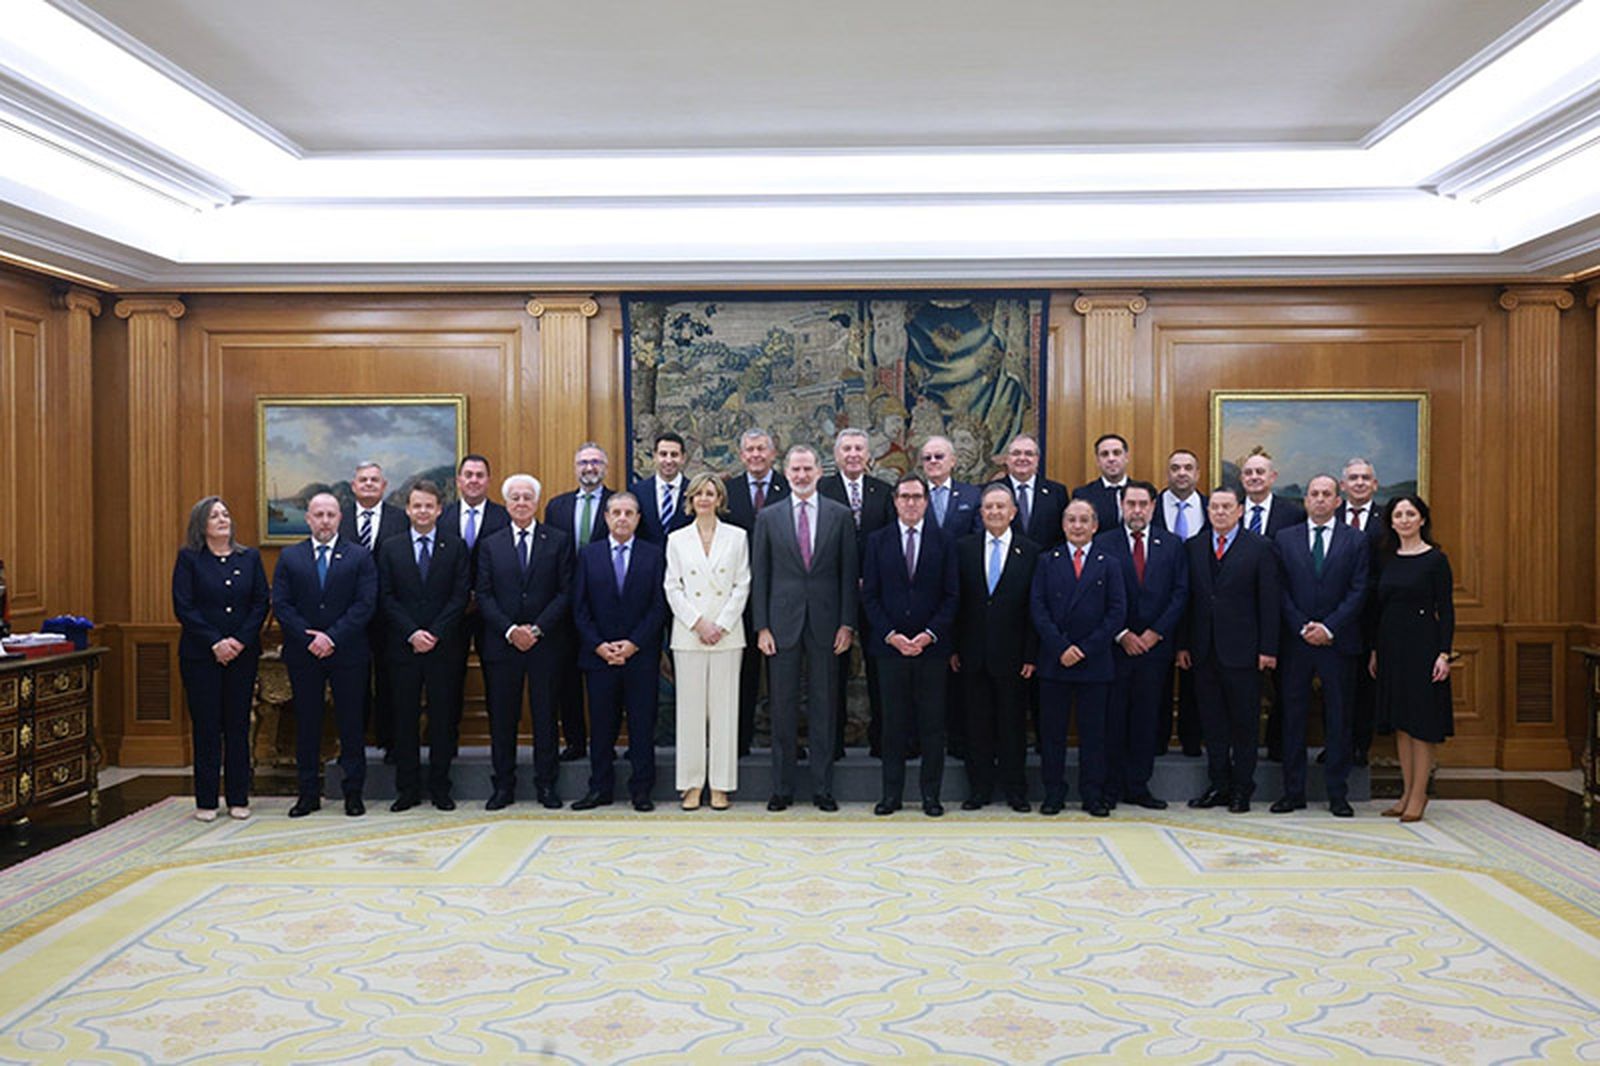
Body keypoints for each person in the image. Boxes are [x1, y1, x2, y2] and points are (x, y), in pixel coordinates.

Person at [751, 444, 857, 812]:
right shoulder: (769, 517)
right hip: (781, 626)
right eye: (794, 470)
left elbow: (847, 574)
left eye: (807, 469)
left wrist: (847, 623)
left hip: (828, 625)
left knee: (824, 707)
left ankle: (822, 788)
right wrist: (761, 626)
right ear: (786, 471)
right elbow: (760, 574)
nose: (800, 475)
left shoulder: (840, 516)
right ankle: (782, 789)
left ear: (819, 471)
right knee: (781, 708)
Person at [273, 491, 378, 818]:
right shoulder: (290, 557)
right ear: (308, 519)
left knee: (350, 724)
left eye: (330, 515)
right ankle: (307, 794)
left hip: (348, 652)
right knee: (307, 723)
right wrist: (311, 639)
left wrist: (332, 637)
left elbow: (365, 604)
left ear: (340, 518)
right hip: (304, 654)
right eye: (318, 515)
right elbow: (282, 604)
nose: (324, 521)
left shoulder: (359, 557)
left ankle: (353, 794)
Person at [475, 474, 575, 810]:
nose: (521, 503)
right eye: (515, 497)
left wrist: (535, 630)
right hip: (502, 645)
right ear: (506, 503)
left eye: (527, 497)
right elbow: (484, 595)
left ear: (537, 502)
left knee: (546, 717)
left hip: (545, 644)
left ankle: (546, 785)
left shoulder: (558, 540)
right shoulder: (491, 543)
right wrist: (510, 630)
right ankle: (503, 786)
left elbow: (565, 592)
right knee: (502, 719)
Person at [1178, 487, 1279, 814]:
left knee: (1244, 723)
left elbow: (1269, 601)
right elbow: (1186, 600)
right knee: (1213, 723)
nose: (1220, 512)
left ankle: (1241, 788)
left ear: (1239, 511)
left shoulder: (1260, 547)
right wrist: (1182, 644)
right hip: (1203, 651)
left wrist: (1268, 648)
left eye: (1227, 507)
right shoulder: (1193, 547)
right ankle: (1218, 785)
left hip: (1244, 652)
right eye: (1215, 507)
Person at [863, 473, 959, 817]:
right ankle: (892, 795)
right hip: (889, 649)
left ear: (926, 500)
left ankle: (930, 796)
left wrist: (928, 635)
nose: (911, 503)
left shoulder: (945, 541)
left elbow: (951, 597)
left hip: (931, 650)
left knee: (933, 725)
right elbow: (869, 596)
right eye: (904, 497)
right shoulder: (877, 541)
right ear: (895, 501)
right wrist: (892, 636)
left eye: (917, 497)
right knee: (893, 725)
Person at [1272, 475, 1368, 818]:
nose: (1320, 500)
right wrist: (1302, 626)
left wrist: (1329, 627)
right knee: (1292, 718)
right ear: (1306, 500)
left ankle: (1337, 794)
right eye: (1314, 494)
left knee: (1339, 719)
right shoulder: (1285, 539)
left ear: (1338, 501)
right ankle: (1292, 792)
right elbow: (1279, 590)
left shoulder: (1356, 540)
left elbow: (1359, 590)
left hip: (1337, 642)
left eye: (1327, 494)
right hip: (1296, 642)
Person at [171, 496, 269, 822]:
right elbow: (184, 606)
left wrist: (239, 641)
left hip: (242, 656)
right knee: (207, 727)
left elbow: (260, 603)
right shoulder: (189, 559)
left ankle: (239, 797)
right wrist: (215, 642)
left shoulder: (250, 557)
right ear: (202, 524)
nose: (222, 519)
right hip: (201, 656)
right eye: (214, 516)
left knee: (238, 726)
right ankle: (207, 800)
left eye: (225, 514)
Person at [571, 492, 668, 813]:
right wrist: (599, 645)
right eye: (616, 513)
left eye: (629, 513)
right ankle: (600, 789)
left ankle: (642, 790)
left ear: (639, 518)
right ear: (606, 518)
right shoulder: (588, 555)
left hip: (640, 656)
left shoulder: (653, 555)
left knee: (642, 726)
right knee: (601, 727)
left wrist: (633, 644)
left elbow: (658, 607)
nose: (622, 518)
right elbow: (579, 607)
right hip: (599, 657)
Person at [377, 480, 470, 812]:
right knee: (404, 719)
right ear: (408, 509)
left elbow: (460, 596)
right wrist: (412, 633)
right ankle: (408, 789)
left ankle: (440, 788)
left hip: (444, 647)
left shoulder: (456, 547)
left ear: (439, 509)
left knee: (443, 720)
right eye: (417, 506)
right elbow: (385, 597)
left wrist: (434, 633)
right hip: (404, 648)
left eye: (429, 506)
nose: (422, 511)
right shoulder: (391, 547)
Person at [1031, 499, 1126, 816]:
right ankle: (1053, 793)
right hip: (1054, 661)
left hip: (1094, 662)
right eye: (1071, 519)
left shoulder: (1108, 562)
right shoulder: (1047, 560)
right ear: (1063, 524)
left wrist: (1084, 648)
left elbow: (1116, 613)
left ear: (1095, 525)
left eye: (1084, 519)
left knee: (1094, 735)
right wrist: (1061, 647)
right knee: (1052, 735)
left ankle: (1092, 793)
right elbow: (1038, 608)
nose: (1077, 525)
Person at [1098, 481, 1187, 810]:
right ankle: (1110, 788)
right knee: (1113, 719)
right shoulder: (1103, 542)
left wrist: (1155, 633)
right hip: (1116, 647)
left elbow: (1180, 594)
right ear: (1121, 506)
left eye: (1143, 504)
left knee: (1146, 719)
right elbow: (1099, 594)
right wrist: (1122, 634)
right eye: (1130, 504)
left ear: (1153, 507)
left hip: (1154, 649)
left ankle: (1138, 785)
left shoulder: (1172, 544)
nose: (1137, 510)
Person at [666, 474, 751, 810]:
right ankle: (690, 784)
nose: (704, 498)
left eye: (710, 493)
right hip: (689, 634)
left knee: (724, 712)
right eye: (699, 493)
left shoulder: (737, 537)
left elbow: (742, 585)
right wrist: (699, 623)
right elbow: (672, 587)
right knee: (690, 712)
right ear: (690, 499)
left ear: (720, 499)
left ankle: (721, 785)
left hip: (727, 635)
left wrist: (721, 624)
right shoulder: (676, 539)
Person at [953, 484, 1040, 811]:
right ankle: (980, 789)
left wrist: (1031, 654)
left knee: (1012, 725)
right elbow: (956, 604)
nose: (994, 512)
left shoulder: (1030, 551)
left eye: (1001, 507)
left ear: (1014, 512)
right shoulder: (963, 548)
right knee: (976, 726)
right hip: (971, 655)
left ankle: (1016, 790)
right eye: (988, 507)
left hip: (1015, 657)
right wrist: (953, 649)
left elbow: (1035, 608)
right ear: (981, 512)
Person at [1371, 494, 1454, 823]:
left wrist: (1444, 653)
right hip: (1391, 646)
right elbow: (1380, 608)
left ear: (1422, 519)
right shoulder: (1387, 558)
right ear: (1391, 521)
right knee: (1401, 725)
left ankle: (1420, 795)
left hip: (1423, 647)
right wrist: (1376, 650)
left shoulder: (1436, 560)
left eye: (1411, 514)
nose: (1404, 519)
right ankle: (1405, 792)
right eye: (1398, 514)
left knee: (1422, 724)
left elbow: (1446, 610)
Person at [819, 427, 892, 756]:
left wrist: (871, 578)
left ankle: (882, 742)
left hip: (876, 595)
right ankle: (833, 745)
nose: (852, 454)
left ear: (868, 455)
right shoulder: (822, 490)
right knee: (833, 672)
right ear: (836, 455)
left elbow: (891, 541)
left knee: (880, 671)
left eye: (858, 448)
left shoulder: (884, 491)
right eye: (846, 448)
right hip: (834, 597)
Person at [544, 442, 615, 762]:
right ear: (575, 468)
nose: (590, 467)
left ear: (606, 467)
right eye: (584, 462)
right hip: (564, 606)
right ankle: (574, 741)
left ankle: (607, 743)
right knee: (566, 678)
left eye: (596, 462)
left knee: (607, 682)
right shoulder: (556, 507)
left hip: (606, 606)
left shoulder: (619, 503)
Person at [723, 428, 788, 755]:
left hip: (782, 595)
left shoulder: (789, 488)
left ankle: (786, 741)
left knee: (783, 674)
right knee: (743, 671)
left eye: (761, 448)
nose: (755, 455)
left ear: (773, 453)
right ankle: (741, 739)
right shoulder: (728, 490)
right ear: (741, 454)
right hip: (738, 598)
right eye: (749, 450)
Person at [339, 460, 408, 760]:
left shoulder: (400, 519)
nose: (368, 484)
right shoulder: (338, 520)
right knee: (351, 684)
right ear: (353, 486)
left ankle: (392, 743)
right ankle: (352, 747)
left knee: (391, 681)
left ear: (384, 486)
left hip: (389, 616)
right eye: (363, 480)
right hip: (349, 617)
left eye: (374, 480)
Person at [1152, 448, 1207, 757]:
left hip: (1200, 610)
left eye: (1188, 467)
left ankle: (1191, 743)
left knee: (1195, 681)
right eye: (1175, 468)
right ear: (1168, 473)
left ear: (1198, 474)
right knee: (1157, 682)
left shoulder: (1213, 507)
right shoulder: (1151, 507)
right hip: (1158, 610)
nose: (1182, 473)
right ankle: (1157, 743)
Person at [1336, 457, 1384, 767]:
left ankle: (1359, 747)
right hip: (1334, 617)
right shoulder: (1330, 514)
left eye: (1365, 478)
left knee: (1365, 688)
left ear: (1375, 484)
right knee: (1335, 688)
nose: (1359, 483)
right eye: (1353, 478)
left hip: (1372, 617)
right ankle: (1336, 744)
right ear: (1343, 485)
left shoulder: (1387, 519)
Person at [994, 433, 1067, 549]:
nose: (1022, 458)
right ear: (1007, 459)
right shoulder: (991, 491)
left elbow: (1063, 534)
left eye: (1029, 454)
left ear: (1037, 460)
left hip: (1045, 563)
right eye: (1016, 453)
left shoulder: (1057, 492)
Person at [632, 432, 691, 545]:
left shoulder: (694, 491)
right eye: (663, 454)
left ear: (683, 458)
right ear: (654, 457)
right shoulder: (637, 492)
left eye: (674, 455)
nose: (668, 461)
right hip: (648, 560)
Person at [920, 435, 980, 537]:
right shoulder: (914, 496)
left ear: (952, 461)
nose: (933, 461)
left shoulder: (972, 495)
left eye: (939, 456)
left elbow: (978, 536)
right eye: (927, 458)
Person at [1072, 432, 1131, 530]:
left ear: (1126, 457)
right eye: (1104, 454)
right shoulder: (1083, 495)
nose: (1111, 459)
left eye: (1116, 453)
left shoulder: (1142, 492)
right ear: (1098, 460)